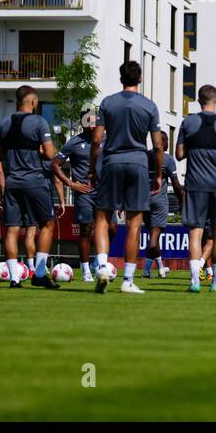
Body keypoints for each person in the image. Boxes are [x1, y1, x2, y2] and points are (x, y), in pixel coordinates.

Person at [91, 60, 165, 294]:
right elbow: (158, 145)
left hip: (112, 161)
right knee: (134, 223)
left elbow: (96, 140)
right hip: (139, 164)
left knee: (102, 216)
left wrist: (92, 169)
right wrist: (159, 174)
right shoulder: (149, 106)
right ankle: (128, 281)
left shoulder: (107, 103)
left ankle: (103, 266)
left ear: (121, 78)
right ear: (140, 79)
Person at [177, 85, 216, 292]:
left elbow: (179, 154)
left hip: (195, 185)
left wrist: (195, 147)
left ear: (198, 100)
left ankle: (195, 280)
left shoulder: (188, 122)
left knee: (195, 233)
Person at [0, 85, 60, 289]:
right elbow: (51, 155)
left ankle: (15, 279)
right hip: (35, 180)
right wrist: (40, 151)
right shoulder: (39, 121)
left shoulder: (4, 124)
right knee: (48, 224)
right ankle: (39, 273)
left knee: (12, 230)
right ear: (33, 102)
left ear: (17, 102)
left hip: (12, 182)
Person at [53, 110, 100, 281]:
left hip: (105, 192)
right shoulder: (73, 143)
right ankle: (86, 270)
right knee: (86, 229)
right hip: (85, 193)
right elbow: (55, 165)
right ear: (84, 123)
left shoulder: (106, 140)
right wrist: (71, 184)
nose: (93, 123)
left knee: (111, 229)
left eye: (95, 119)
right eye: (89, 120)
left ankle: (97, 262)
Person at [143, 132, 183, 278]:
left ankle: (160, 267)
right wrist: (182, 200)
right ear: (163, 142)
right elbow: (177, 185)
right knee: (153, 239)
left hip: (144, 201)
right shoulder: (167, 159)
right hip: (159, 202)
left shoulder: (145, 157)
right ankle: (146, 270)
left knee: (153, 235)